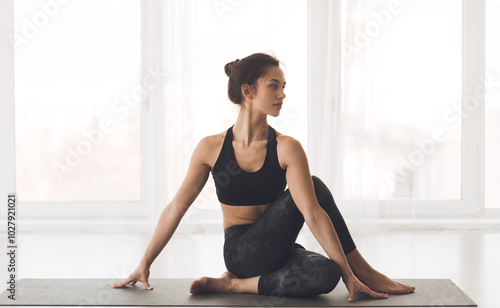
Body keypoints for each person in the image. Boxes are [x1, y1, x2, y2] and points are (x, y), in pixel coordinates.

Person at [110, 52, 415, 302]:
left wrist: (346, 276)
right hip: (242, 253)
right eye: (274, 86)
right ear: (248, 91)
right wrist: (144, 263)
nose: (282, 94)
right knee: (317, 186)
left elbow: (313, 214)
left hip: (281, 250)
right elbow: (176, 207)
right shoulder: (211, 148)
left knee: (326, 275)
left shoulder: (286, 148)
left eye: (284, 86)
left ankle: (240, 285)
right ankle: (236, 282)